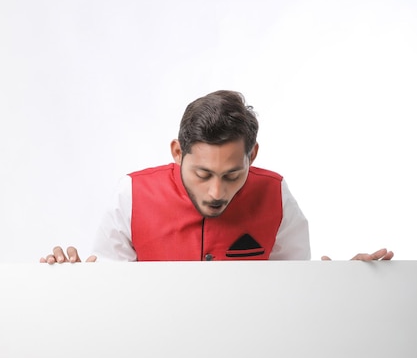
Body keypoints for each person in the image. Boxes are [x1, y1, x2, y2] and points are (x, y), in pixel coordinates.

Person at [40, 90, 393, 264]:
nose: (216, 192)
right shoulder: (131, 194)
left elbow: (294, 292)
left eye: (232, 175)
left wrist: (346, 286)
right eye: (203, 173)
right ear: (177, 152)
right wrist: (74, 282)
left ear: (252, 156)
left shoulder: (276, 195)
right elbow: (105, 292)